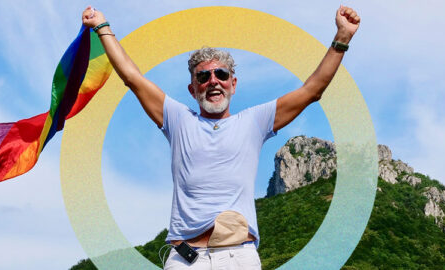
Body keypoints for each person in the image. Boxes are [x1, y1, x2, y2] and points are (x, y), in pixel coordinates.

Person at [82, 5, 360, 270]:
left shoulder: (254, 121)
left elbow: (312, 90)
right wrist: (102, 27)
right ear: (193, 89)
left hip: (238, 257)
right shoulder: (178, 120)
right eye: (203, 76)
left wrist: (342, 38)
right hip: (185, 259)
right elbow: (132, 77)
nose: (213, 80)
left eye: (221, 74)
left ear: (233, 84)